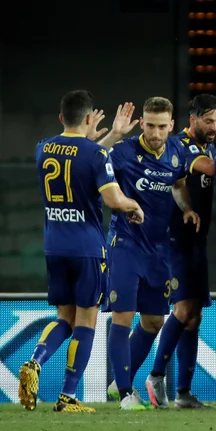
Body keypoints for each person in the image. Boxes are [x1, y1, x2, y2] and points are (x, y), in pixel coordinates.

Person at [19, 90, 143, 413]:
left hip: (54, 246)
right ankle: (68, 396)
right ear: (89, 118)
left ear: (61, 117)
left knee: (65, 318)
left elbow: (76, 161)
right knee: (86, 321)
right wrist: (134, 205)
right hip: (87, 248)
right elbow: (114, 199)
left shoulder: (42, 148)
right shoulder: (95, 155)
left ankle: (34, 362)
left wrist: (112, 136)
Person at [100, 97, 200, 410]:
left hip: (159, 250)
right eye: (150, 125)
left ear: (171, 126)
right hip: (127, 244)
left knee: (155, 320)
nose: (155, 133)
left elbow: (180, 182)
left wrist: (186, 208)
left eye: (162, 126)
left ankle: (120, 383)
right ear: (141, 123)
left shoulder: (178, 151)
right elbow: (89, 159)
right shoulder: (123, 151)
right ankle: (127, 393)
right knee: (123, 317)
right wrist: (113, 134)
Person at [144, 94, 216, 409]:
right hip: (176, 240)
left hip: (196, 240)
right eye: (209, 121)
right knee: (184, 309)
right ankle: (156, 376)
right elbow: (213, 169)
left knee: (194, 317)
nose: (215, 127)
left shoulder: (210, 146)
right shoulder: (182, 147)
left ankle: (183, 393)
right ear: (192, 120)